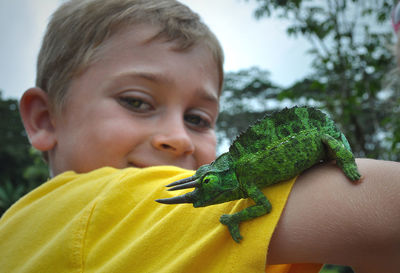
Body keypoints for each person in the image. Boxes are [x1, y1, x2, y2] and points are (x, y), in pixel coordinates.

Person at [0, 0, 399, 272]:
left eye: (198, 118)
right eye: (136, 102)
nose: (180, 139)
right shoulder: (94, 209)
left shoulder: (29, 230)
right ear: (45, 119)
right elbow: (380, 210)